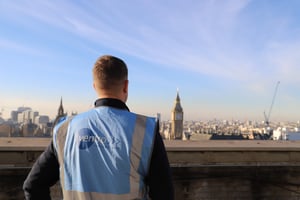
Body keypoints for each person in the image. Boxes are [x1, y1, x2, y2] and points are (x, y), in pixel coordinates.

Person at [23, 55, 174, 200]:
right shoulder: (146, 130)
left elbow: (33, 185)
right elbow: (164, 194)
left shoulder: (65, 129)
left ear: (95, 86)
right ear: (126, 86)